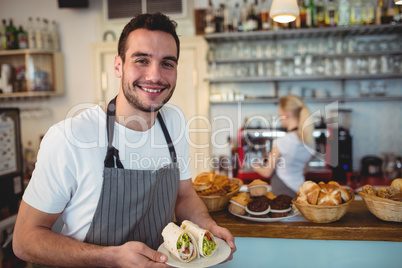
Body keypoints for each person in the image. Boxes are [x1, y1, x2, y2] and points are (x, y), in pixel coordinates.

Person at [13, 13, 236, 267]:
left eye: (167, 63)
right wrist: (110, 257)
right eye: (141, 60)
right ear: (118, 66)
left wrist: (207, 227)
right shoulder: (70, 136)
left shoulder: (174, 121)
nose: (155, 76)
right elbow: (24, 239)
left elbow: (184, 195)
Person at [253, 95, 314, 197]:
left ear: (286, 114)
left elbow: (267, 172)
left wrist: (256, 166)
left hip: (282, 194)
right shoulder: (309, 141)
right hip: (300, 192)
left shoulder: (282, 141)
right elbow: (304, 169)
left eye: (280, 113)